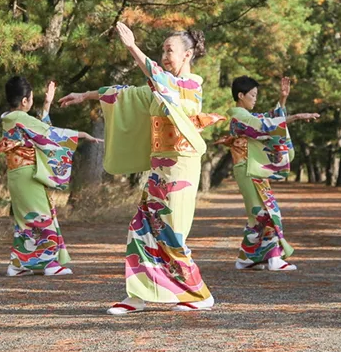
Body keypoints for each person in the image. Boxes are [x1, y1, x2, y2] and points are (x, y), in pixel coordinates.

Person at [59, 23, 225, 315]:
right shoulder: (160, 87)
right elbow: (125, 93)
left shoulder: (189, 85)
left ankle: (199, 293)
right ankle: (136, 295)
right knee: (141, 227)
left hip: (181, 169)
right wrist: (85, 95)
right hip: (160, 168)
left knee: (171, 233)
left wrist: (132, 47)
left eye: (169, 50)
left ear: (187, 55)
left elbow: (158, 78)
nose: (164, 55)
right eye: (162, 50)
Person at [0, 77, 101, 277]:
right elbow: (49, 134)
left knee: (26, 219)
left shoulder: (9, 118)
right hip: (28, 173)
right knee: (41, 217)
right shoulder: (21, 118)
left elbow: (40, 130)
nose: (31, 102)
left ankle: (19, 263)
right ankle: (48, 263)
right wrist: (82, 134)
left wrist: (47, 103)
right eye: (31, 99)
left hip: (17, 173)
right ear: (25, 101)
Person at [218, 76, 319, 272]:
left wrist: (282, 99)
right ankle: (274, 258)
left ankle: (246, 258)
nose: (255, 99)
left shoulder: (244, 115)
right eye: (253, 95)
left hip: (252, 167)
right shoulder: (239, 115)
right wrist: (296, 117)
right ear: (241, 95)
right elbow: (265, 126)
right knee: (266, 212)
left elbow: (268, 118)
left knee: (257, 215)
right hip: (248, 167)